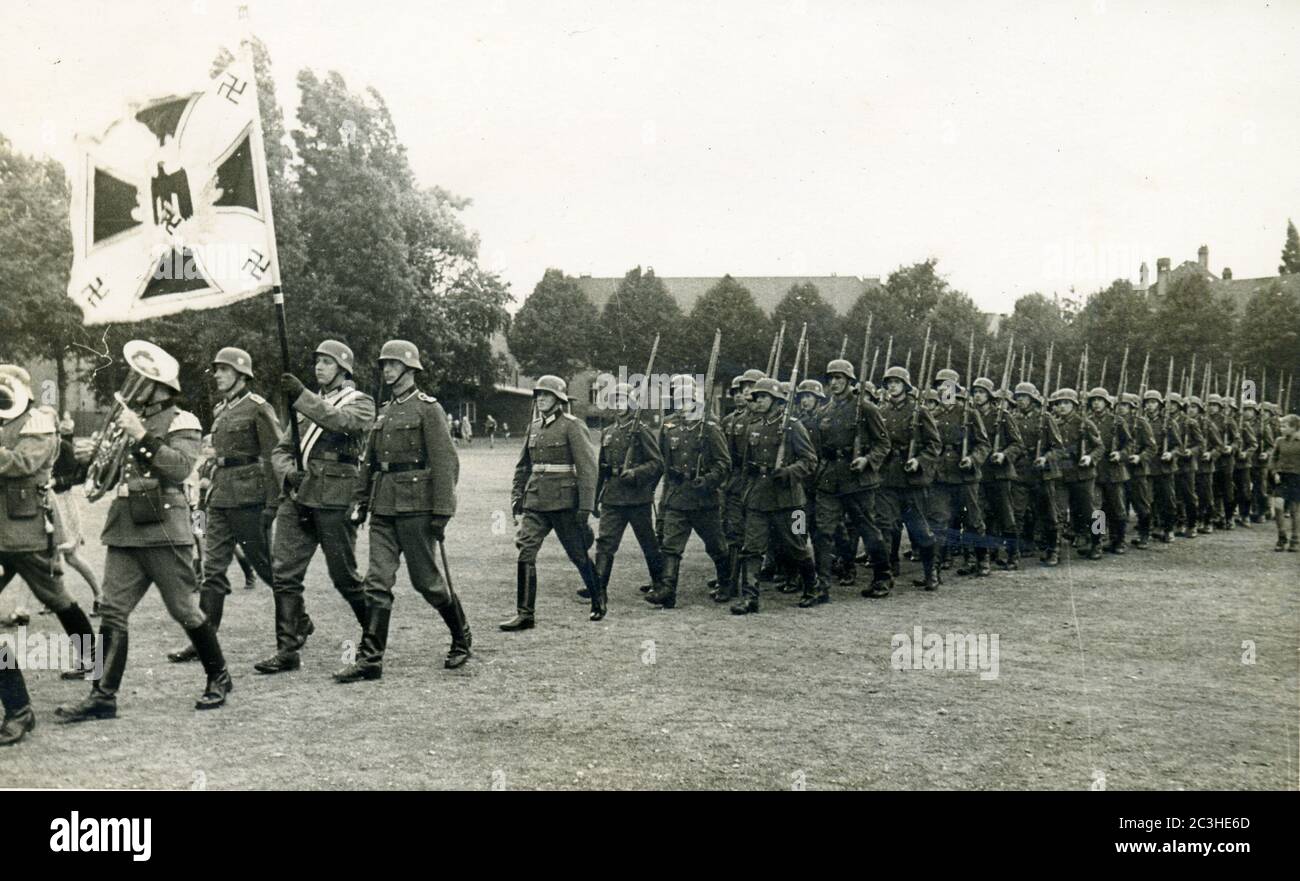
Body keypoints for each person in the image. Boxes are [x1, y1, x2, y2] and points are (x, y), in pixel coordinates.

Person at [57, 342, 233, 720]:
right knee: (113, 611)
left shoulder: (182, 421)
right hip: (125, 528)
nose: (134, 383)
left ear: (160, 385)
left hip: (164, 529)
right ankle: (103, 695)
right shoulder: (129, 419)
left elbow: (180, 468)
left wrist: (141, 436)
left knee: (184, 609)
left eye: (143, 378)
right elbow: (108, 473)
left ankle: (218, 676)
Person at [334, 340, 469, 682]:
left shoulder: (428, 409)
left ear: (410, 370)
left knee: (427, 582)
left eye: (393, 364)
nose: (387, 370)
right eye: (385, 365)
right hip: (383, 506)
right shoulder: (383, 411)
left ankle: (460, 634)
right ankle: (370, 660)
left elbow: (445, 463)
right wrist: (360, 500)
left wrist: (442, 512)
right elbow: (371, 462)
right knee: (377, 581)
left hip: (417, 507)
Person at [258, 340, 376, 674]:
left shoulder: (361, 402)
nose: (319, 368)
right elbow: (281, 450)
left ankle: (374, 637)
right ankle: (287, 649)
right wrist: (287, 475)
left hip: (336, 497)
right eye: (317, 362)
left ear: (343, 368)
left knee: (344, 577)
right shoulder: (306, 405)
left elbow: (342, 423)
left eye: (327, 362)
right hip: (299, 496)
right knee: (284, 573)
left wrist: (301, 396)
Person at [168, 347, 282, 663]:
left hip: (249, 497)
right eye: (216, 369)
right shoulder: (222, 409)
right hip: (220, 496)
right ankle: (204, 640)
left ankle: (297, 624)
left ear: (241, 374)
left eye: (224, 369)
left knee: (268, 569)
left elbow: (275, 455)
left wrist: (273, 502)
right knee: (212, 570)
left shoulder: (258, 408)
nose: (217, 374)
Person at [0, 364, 96, 680]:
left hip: (26, 528)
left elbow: (23, 463)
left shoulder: (38, 423)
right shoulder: (7, 422)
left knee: (55, 597)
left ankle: (91, 659)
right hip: (5, 528)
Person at [501, 376, 600, 629]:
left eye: (546, 395)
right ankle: (525, 614)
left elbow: (588, 469)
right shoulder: (533, 427)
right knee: (526, 550)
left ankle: (598, 599)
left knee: (577, 553)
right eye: (539, 395)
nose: (541, 399)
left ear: (558, 399)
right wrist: (516, 497)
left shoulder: (572, 426)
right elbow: (524, 466)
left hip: (564, 502)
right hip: (535, 501)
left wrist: (586, 507)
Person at [730, 378, 817, 614]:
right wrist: (746, 492)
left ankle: (813, 588)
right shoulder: (753, 426)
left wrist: (789, 472)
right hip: (758, 497)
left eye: (763, 398)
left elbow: (810, 461)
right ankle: (750, 598)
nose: (757, 402)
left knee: (797, 545)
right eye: (756, 398)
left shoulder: (793, 426)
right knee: (752, 547)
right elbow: (745, 465)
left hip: (791, 500)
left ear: (777, 400)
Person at [646, 376, 731, 608]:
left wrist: (708, 480)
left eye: (687, 401)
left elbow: (724, 464)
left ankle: (726, 583)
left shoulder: (710, 427)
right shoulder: (669, 426)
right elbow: (661, 461)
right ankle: (667, 591)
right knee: (671, 546)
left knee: (716, 546)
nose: (682, 406)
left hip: (704, 499)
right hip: (677, 496)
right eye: (679, 401)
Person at [812, 360, 891, 601]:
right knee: (823, 532)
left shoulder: (866, 409)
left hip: (857, 479)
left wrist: (867, 460)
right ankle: (822, 585)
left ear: (849, 381)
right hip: (828, 479)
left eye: (839, 378)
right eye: (831, 378)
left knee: (868, 530)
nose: (834, 382)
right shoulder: (823, 412)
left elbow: (883, 443)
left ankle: (882, 577)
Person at [592, 382, 665, 605]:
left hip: (636, 498)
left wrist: (635, 473)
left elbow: (657, 463)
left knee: (648, 542)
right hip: (612, 496)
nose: (619, 405)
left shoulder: (641, 430)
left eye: (623, 400)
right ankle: (599, 589)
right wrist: (595, 500)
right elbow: (601, 468)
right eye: (615, 400)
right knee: (605, 543)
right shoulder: (608, 432)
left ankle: (661, 584)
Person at [875, 366, 942, 591]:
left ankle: (931, 572)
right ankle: (883, 577)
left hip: (911, 480)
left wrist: (919, 461)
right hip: (886, 478)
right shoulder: (880, 410)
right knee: (884, 527)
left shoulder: (920, 411)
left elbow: (934, 445)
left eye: (896, 382)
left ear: (905, 385)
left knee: (919, 530)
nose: (892, 386)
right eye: (889, 382)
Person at [49, 412, 102, 613]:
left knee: (71, 557)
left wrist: (57, 481)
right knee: (46, 555)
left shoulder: (63, 447)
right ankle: (47, 601)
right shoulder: (39, 446)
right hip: (48, 502)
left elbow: (78, 476)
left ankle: (99, 595)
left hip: (63, 502)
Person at [973, 381, 1025, 568]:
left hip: (1000, 473)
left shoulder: (1002, 417)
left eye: (982, 392)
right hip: (979, 472)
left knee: (1006, 515)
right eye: (975, 392)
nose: (978, 395)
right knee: (980, 516)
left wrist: (1004, 455)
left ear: (989, 395)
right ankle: (984, 556)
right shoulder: (971, 415)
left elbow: (1017, 444)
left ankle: (1013, 554)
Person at [1049, 388, 1104, 560]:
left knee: (1092, 512)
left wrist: (1089, 457)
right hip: (1061, 475)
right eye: (1059, 403)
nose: (1062, 406)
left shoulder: (1085, 424)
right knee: (1057, 512)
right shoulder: (1054, 424)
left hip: (1083, 475)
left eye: (1066, 403)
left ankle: (1097, 542)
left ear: (1074, 405)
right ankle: (1054, 549)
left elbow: (1100, 447)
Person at [1087, 388, 1130, 554]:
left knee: (1117, 507)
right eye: (1094, 400)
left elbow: (1129, 444)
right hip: (1095, 471)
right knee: (1096, 509)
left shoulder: (1117, 421)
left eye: (1100, 400)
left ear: (1106, 403)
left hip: (1114, 471)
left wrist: (1120, 454)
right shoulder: (1087, 421)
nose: (1096, 403)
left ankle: (1118, 540)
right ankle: (1096, 542)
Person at [1267, 413, 1300, 551]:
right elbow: (1273, 458)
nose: (1281, 429)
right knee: (1278, 507)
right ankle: (1281, 537)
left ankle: (1295, 539)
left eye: (1284, 426)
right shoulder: (1279, 441)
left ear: (1294, 428)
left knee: (1294, 510)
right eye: (1281, 426)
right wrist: (1274, 473)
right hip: (1281, 478)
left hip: (1296, 478)